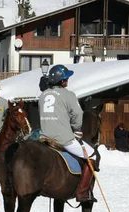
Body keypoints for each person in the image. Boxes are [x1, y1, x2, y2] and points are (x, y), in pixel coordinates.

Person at [39, 64, 97, 202]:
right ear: (62, 81)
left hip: (43, 137)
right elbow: (78, 114)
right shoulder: (68, 94)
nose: (67, 81)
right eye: (66, 78)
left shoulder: (43, 94)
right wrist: (77, 130)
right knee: (92, 155)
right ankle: (82, 192)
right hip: (62, 138)